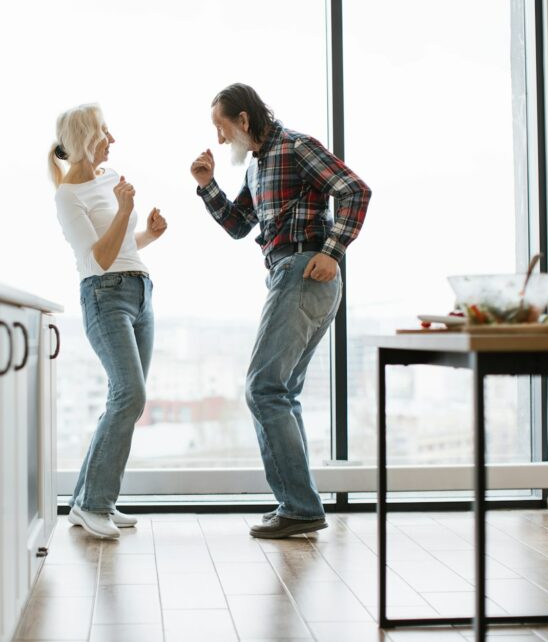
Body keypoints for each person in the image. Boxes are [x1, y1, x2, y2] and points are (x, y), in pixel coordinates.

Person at [190, 83, 371, 539]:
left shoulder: (296, 147)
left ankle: (299, 506)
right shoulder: (256, 170)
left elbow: (355, 191)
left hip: (304, 270)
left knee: (262, 389)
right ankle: (299, 506)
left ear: (244, 120)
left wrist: (332, 251)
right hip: (288, 275)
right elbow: (238, 226)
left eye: (222, 127)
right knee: (281, 393)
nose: (219, 138)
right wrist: (207, 185)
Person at [50, 103, 168, 540]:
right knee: (130, 396)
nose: (112, 140)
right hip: (104, 297)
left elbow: (119, 246)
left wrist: (148, 236)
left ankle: (91, 498)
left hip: (140, 291)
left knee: (124, 400)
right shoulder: (67, 195)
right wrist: (122, 212)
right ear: (85, 139)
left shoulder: (110, 177)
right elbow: (98, 259)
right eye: (105, 132)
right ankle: (93, 504)